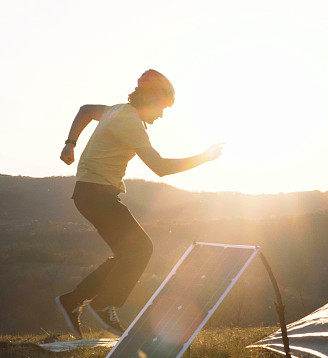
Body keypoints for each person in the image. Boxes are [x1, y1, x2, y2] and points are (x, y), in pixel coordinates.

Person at [54, 69, 222, 338]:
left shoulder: (116, 110)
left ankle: (73, 301)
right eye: (162, 108)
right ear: (150, 100)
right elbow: (160, 167)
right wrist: (203, 157)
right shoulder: (129, 122)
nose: (162, 115)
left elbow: (85, 109)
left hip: (92, 193)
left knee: (128, 253)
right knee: (141, 248)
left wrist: (70, 143)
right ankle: (104, 302)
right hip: (96, 194)